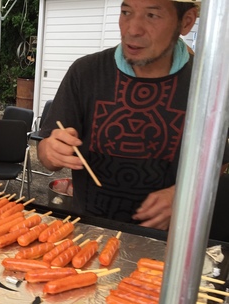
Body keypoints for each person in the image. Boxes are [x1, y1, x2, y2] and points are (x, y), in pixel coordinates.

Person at [37, 0, 218, 230]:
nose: (133, 29)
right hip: (87, 234)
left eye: (152, 15)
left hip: (169, 243)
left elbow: (218, 163)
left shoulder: (208, 85)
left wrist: (186, 194)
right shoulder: (85, 73)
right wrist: (49, 150)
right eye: (126, 12)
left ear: (187, 21)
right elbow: (45, 150)